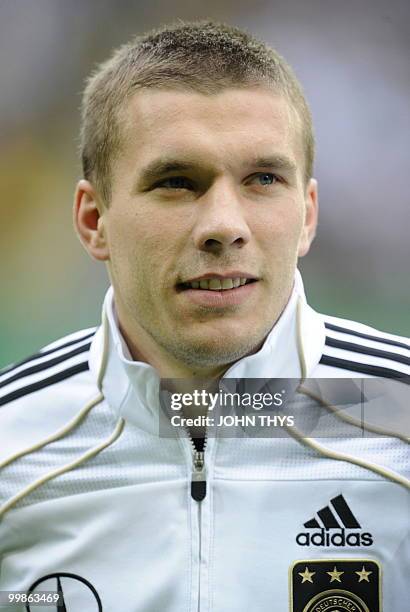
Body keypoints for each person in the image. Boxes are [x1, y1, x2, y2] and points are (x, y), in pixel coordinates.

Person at [0, 21, 408, 612]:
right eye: (176, 182)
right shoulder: (12, 443)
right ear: (95, 221)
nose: (224, 225)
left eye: (263, 179)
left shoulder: (399, 414)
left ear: (308, 215)